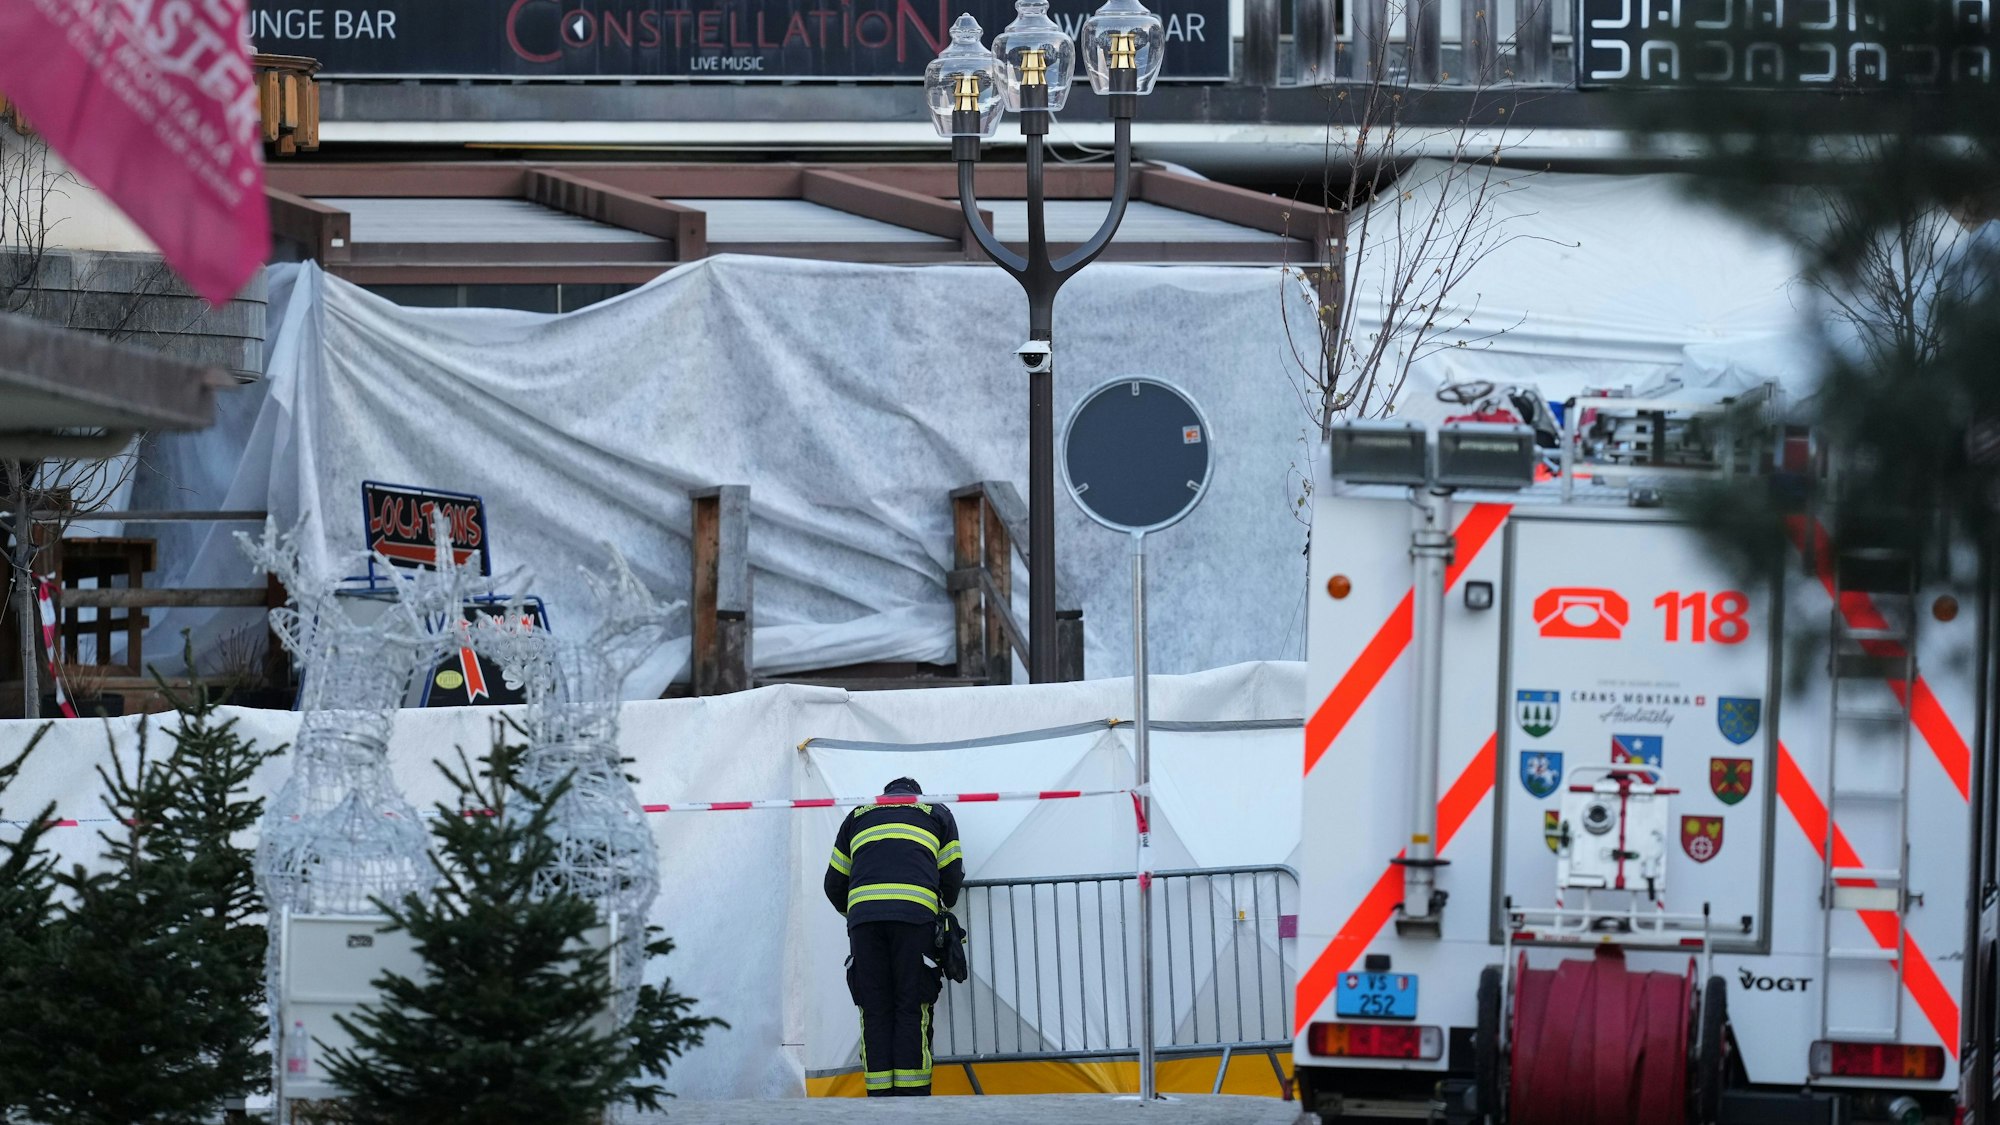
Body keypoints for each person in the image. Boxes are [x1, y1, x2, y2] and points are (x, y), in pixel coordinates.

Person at [824, 777, 964, 1097]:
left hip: (865, 925)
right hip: (914, 921)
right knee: (911, 1007)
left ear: (885, 795)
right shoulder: (936, 813)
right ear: (917, 795)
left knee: (874, 1009)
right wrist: (942, 903)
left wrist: (861, 914)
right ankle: (912, 1103)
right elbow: (952, 875)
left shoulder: (857, 816)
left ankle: (880, 1102)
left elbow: (834, 884)